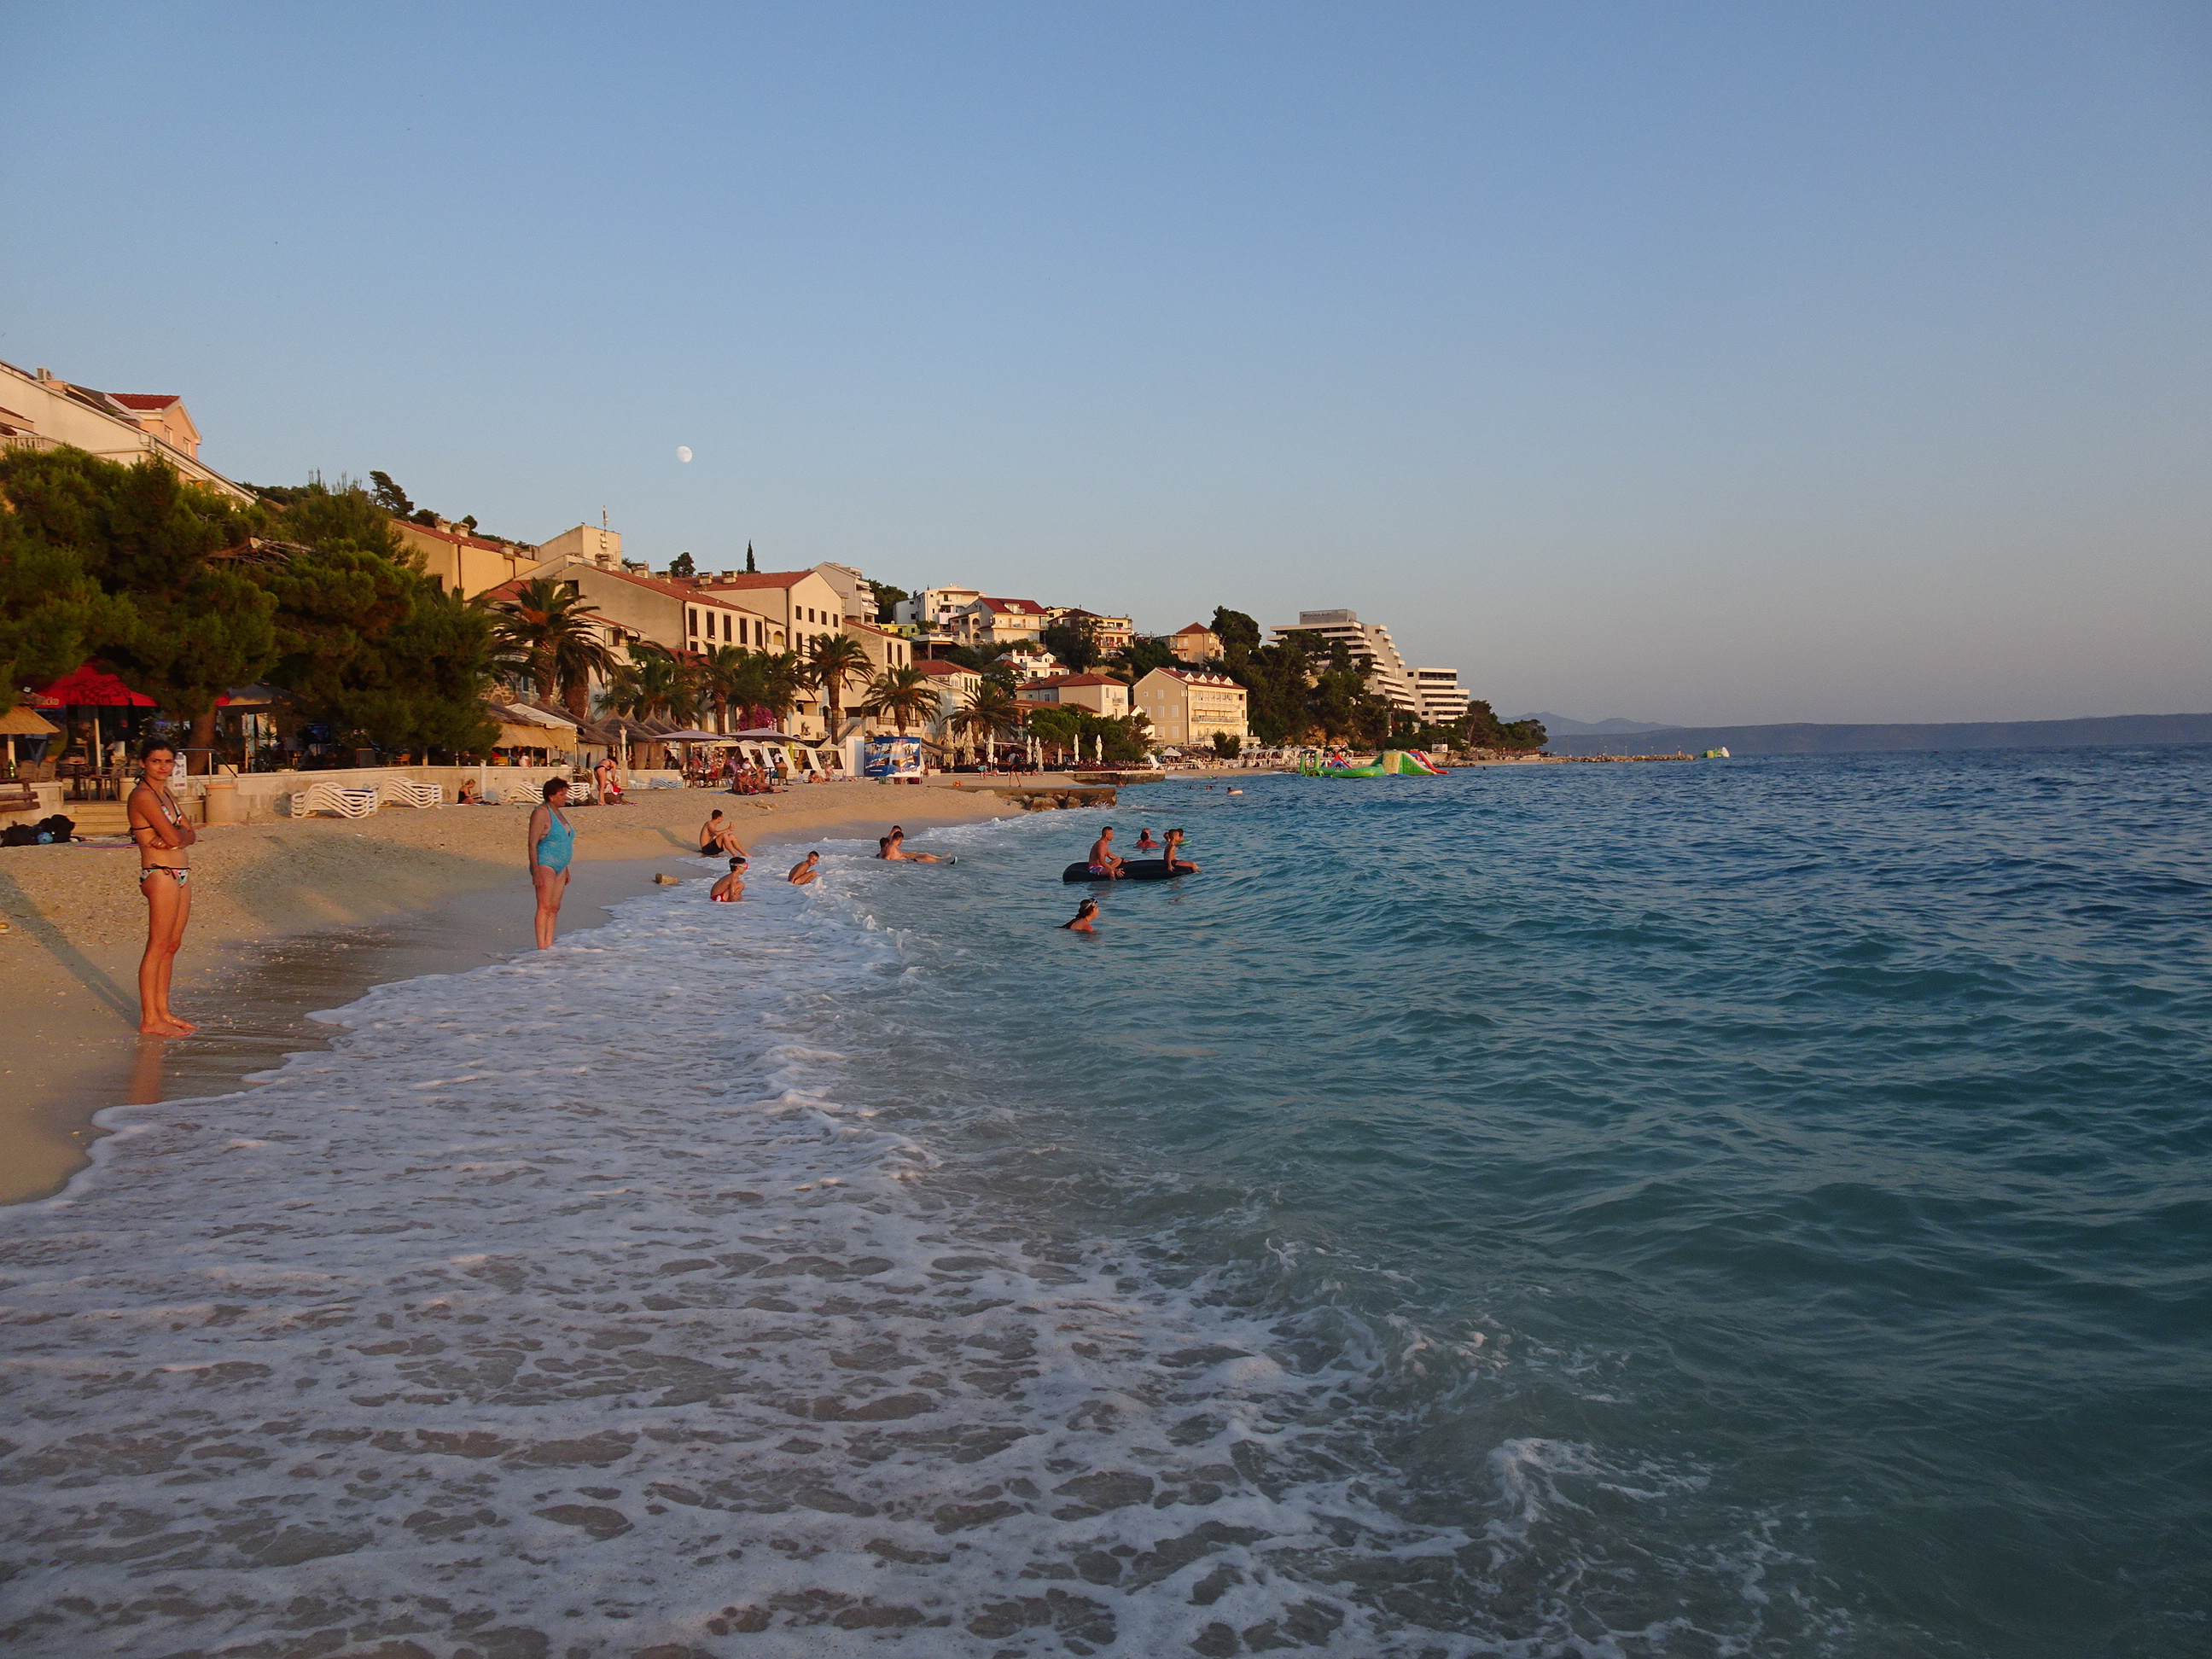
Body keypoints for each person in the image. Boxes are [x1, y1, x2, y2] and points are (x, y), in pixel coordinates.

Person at [125, 740, 196, 1035]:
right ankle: (149, 1019)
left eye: (168, 761)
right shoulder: (143, 796)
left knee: (172, 945)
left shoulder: (166, 793)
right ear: (143, 763)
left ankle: (163, 1011)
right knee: (157, 945)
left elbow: (190, 835)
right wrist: (177, 835)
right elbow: (176, 836)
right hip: (160, 872)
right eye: (156, 761)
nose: (163, 767)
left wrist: (177, 835)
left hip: (180, 872)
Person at [527, 777, 575, 949]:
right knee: (544, 906)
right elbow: (532, 844)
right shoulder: (541, 813)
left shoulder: (559, 813)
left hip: (561, 866)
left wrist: (566, 868)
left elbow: (563, 841)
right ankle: (541, 946)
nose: (565, 797)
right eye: (561, 794)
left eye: (565, 793)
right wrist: (536, 872)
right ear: (551, 796)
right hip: (545, 863)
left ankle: (549, 944)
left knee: (555, 907)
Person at [879, 829, 946, 864]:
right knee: (927, 858)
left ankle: (943, 861)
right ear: (900, 839)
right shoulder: (892, 848)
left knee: (926, 856)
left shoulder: (893, 847)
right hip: (907, 863)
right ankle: (946, 864)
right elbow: (887, 858)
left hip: (907, 862)